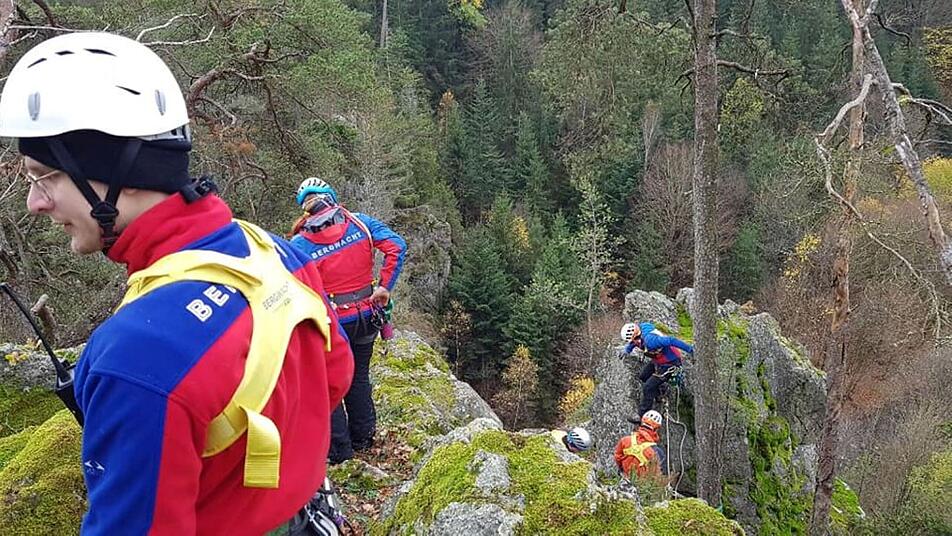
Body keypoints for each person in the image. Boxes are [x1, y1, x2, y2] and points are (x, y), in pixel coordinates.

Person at [0, 32, 354, 535]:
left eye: (46, 175)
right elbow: (334, 375)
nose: (34, 202)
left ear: (120, 173)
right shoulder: (272, 250)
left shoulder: (136, 356)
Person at [290, 177, 407, 464]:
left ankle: (341, 452)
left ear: (305, 208)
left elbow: (295, 286)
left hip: (332, 325)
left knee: (329, 384)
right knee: (359, 375)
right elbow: (396, 245)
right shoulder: (360, 224)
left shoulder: (299, 244)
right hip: (368, 314)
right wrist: (384, 287)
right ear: (331, 197)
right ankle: (364, 438)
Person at [618, 321, 693, 417]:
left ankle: (643, 415)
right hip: (658, 361)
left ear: (638, 336)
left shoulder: (651, 341)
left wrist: (690, 350)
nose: (633, 343)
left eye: (634, 340)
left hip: (670, 363)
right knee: (643, 376)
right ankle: (661, 392)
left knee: (648, 387)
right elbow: (633, 343)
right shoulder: (639, 335)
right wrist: (627, 350)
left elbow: (671, 340)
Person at [614, 410, 665, 479]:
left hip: (624, 480)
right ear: (656, 429)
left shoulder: (625, 441)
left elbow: (618, 458)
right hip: (643, 484)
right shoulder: (657, 452)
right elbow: (657, 475)